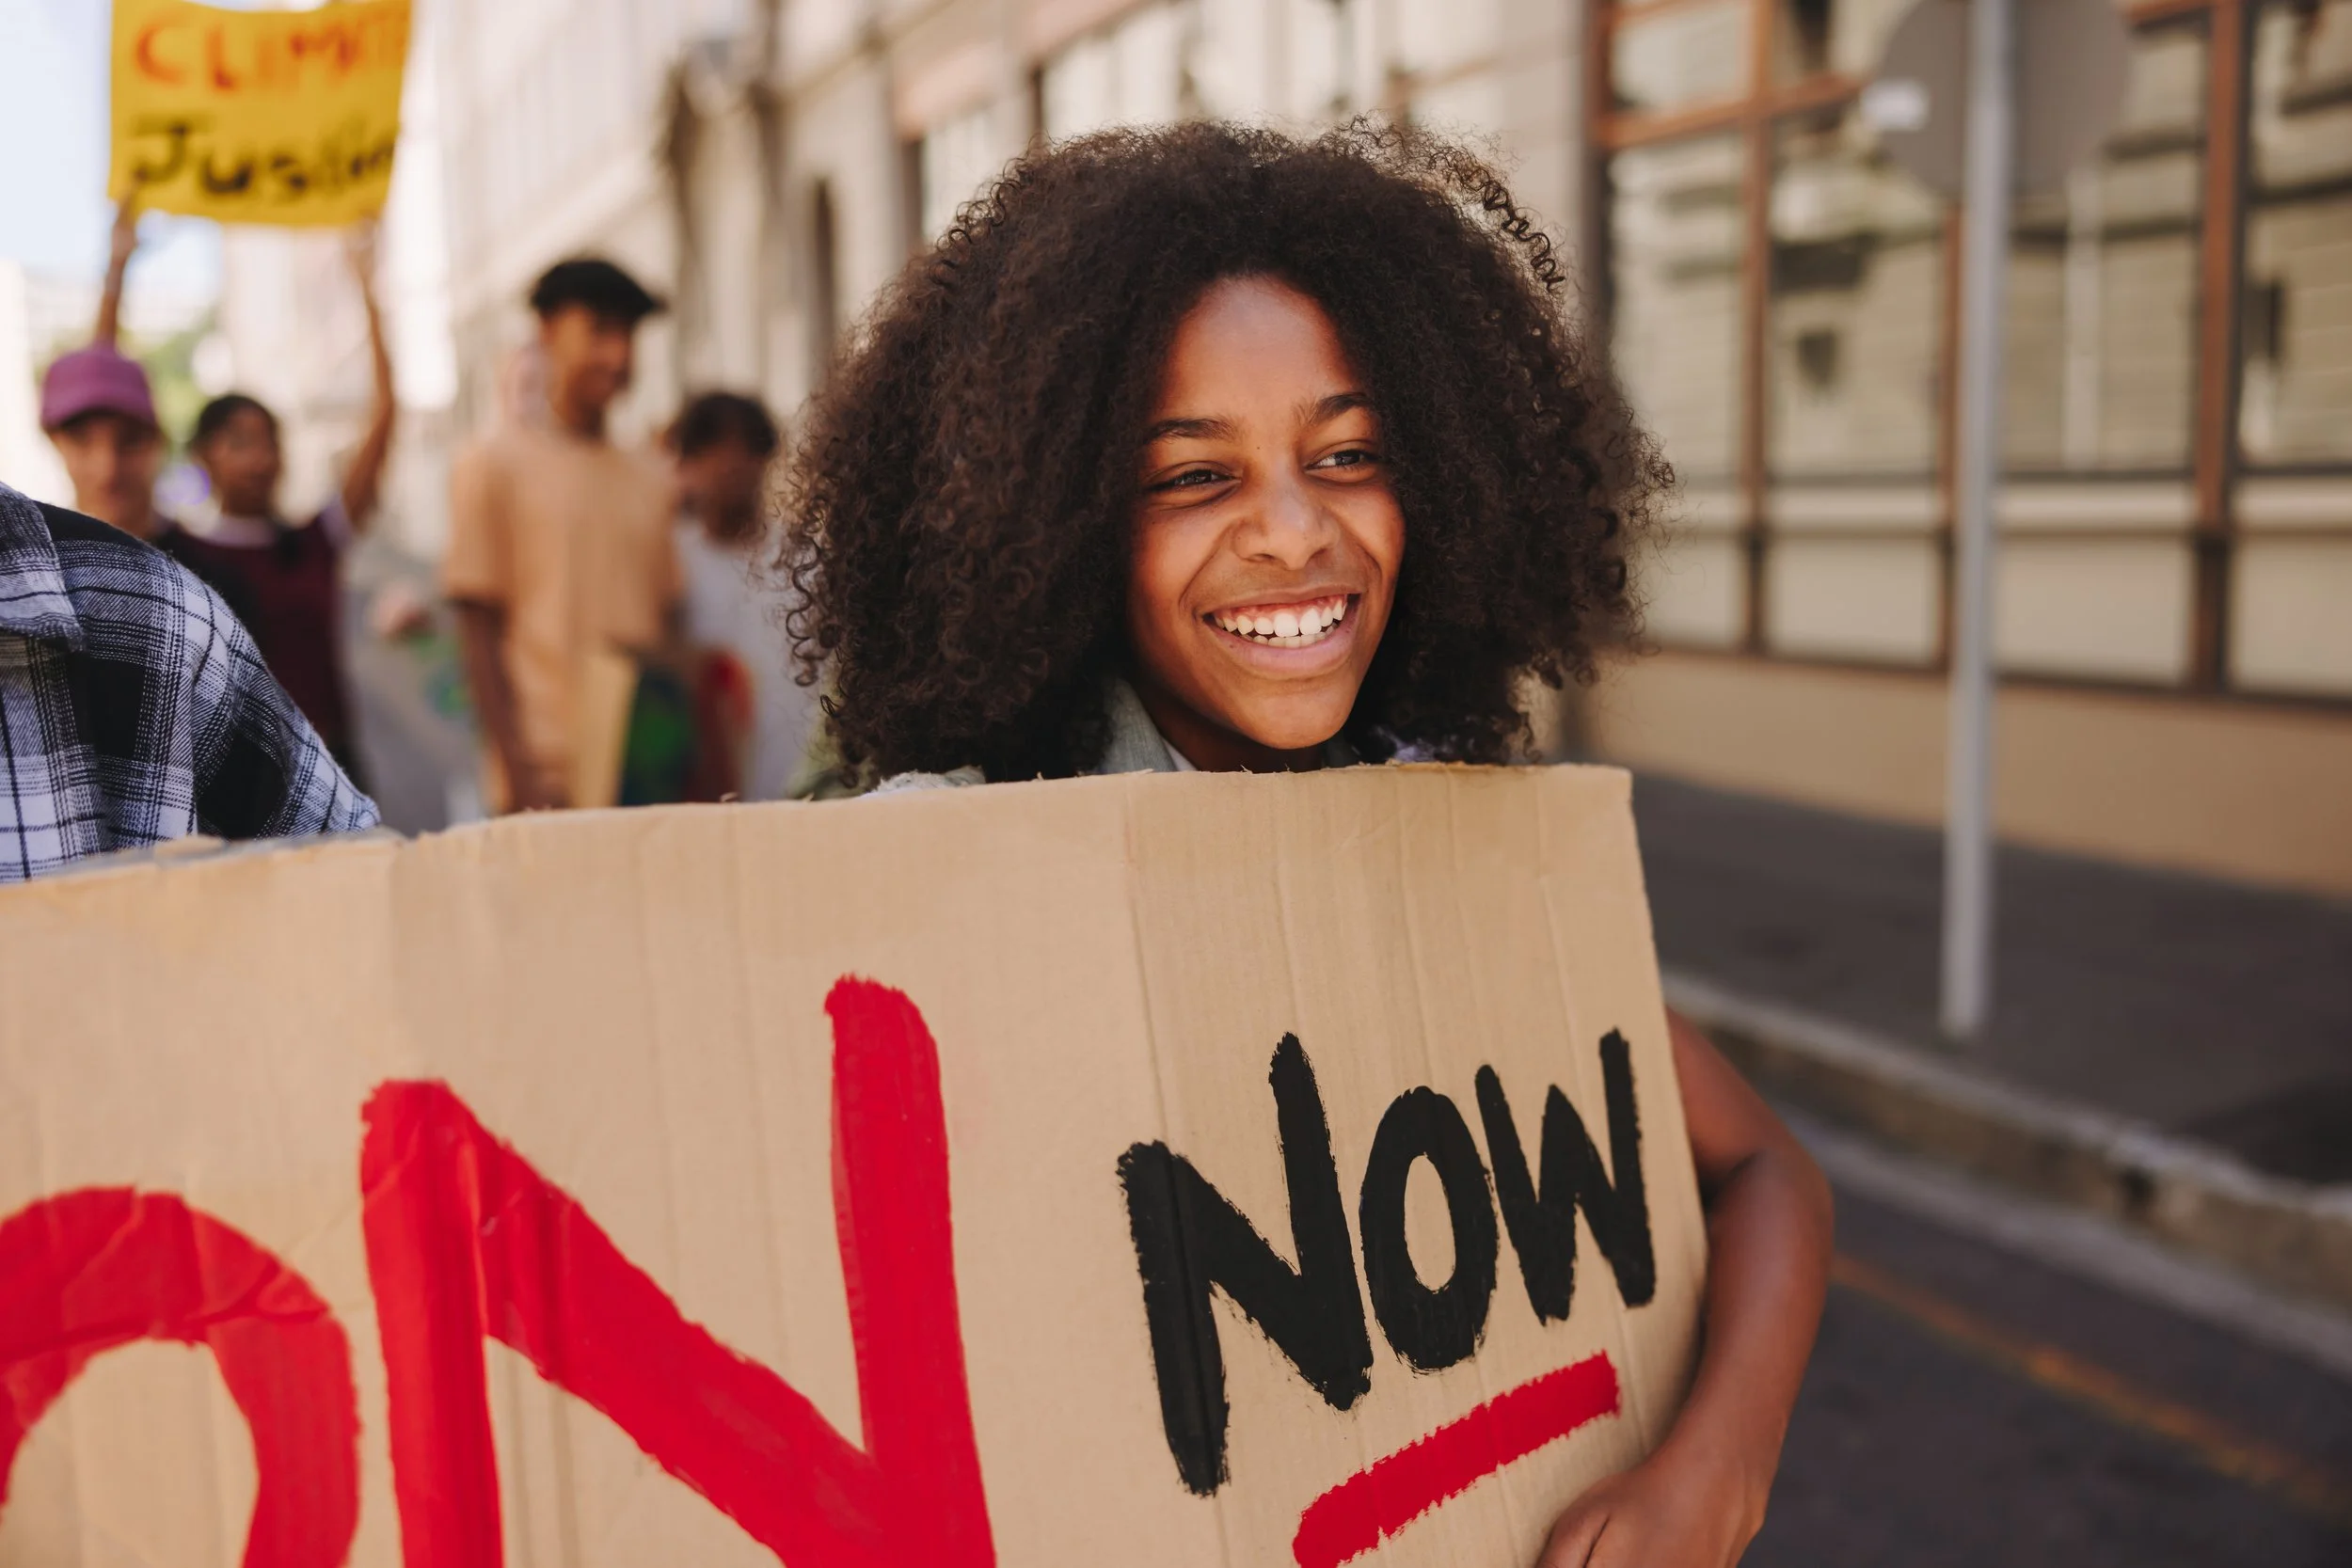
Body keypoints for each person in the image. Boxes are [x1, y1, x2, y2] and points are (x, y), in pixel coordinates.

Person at [782, 122, 1833, 1568]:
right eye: (1194, 476)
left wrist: (1716, 1470)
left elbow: (1768, 1169)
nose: (1293, 530)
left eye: (1349, 454)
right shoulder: (938, 873)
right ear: (1060, 525)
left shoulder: (1444, 833)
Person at [0, 480, 376, 882]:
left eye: (128, 441)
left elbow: (347, 877)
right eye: (237, 442)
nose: (108, 467)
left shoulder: (177, 612)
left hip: (310, 743)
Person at [161, 225, 397, 781]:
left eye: (269, 441)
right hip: (238, 787)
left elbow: (386, 419)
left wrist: (368, 289)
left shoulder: (316, 541)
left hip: (336, 771)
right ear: (202, 457)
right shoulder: (178, 555)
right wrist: (118, 271)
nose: (261, 458)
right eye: (239, 442)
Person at [445, 258, 680, 813]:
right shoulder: (494, 463)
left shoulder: (651, 476)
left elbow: (665, 625)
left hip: (645, 769)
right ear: (547, 334)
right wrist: (518, 770)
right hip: (547, 776)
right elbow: (478, 630)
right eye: (599, 331)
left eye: (628, 335)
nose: (618, 355)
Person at [666, 390, 818, 800]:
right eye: (713, 447)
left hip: (800, 783)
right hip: (709, 792)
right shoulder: (671, 560)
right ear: (688, 463)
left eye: (746, 446)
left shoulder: (804, 555)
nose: (731, 463)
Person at [40, 200, 167, 543]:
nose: (107, 468)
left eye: (129, 441)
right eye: (82, 440)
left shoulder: (212, 581)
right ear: (54, 441)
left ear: (159, 441)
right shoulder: (27, 582)